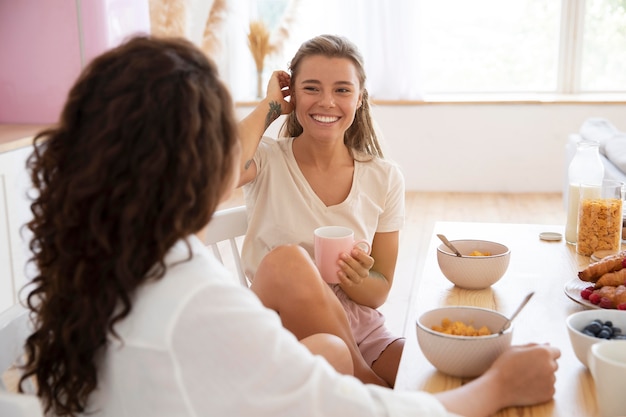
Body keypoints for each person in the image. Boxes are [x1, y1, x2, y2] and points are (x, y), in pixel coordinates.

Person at [18, 34, 560, 417]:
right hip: (310, 350)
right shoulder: (194, 297)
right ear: (198, 165)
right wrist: (498, 388)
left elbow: (374, 297)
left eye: (343, 90)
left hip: (344, 330)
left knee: (330, 349)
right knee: (328, 341)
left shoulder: (99, 276)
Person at [237, 34, 405, 387]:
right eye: (311, 88)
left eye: (342, 90)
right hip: (280, 325)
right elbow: (223, 170)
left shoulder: (383, 177)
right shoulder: (267, 159)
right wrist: (269, 106)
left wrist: (358, 278)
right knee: (288, 260)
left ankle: (370, 390)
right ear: (292, 95)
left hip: (362, 331)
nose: (327, 102)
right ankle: (371, 391)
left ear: (360, 98)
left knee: (430, 369)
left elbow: (380, 290)